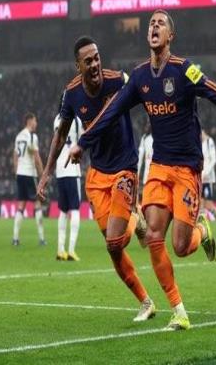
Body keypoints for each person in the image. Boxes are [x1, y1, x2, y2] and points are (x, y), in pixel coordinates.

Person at [66, 10, 216, 330]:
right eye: (151, 23)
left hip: (187, 167)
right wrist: (83, 142)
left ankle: (202, 231)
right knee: (153, 235)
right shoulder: (139, 77)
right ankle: (179, 311)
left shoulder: (183, 69)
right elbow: (111, 111)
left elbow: (214, 90)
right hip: (160, 166)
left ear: (170, 36)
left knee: (180, 246)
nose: (154, 26)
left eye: (160, 23)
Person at [37, 36, 154, 323]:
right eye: (88, 61)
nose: (95, 64)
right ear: (78, 66)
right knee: (113, 247)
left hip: (124, 168)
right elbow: (61, 134)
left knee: (116, 241)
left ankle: (135, 218)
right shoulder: (71, 94)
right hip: (97, 175)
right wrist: (47, 172)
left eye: (97, 58)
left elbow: (147, 97)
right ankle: (146, 301)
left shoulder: (118, 81)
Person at [54, 111, 83, 261]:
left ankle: (60, 250)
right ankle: (71, 250)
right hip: (72, 169)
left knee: (63, 211)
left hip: (60, 170)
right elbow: (82, 141)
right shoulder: (77, 120)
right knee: (75, 210)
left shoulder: (57, 119)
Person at [12, 113, 45, 246]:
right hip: (30, 174)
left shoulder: (19, 136)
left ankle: (15, 238)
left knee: (21, 205)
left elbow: (15, 156)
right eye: (35, 121)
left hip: (20, 173)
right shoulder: (32, 136)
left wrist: (16, 171)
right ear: (30, 121)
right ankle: (41, 238)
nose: (36, 123)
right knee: (37, 204)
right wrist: (42, 174)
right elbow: (36, 158)